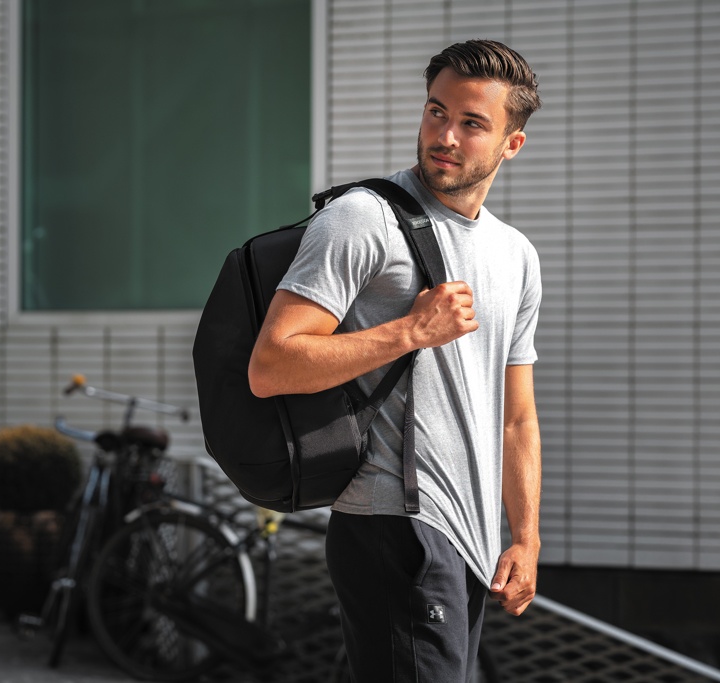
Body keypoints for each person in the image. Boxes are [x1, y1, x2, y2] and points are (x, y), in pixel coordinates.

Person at [248, 39, 543, 682]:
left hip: (472, 541)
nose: (445, 135)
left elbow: (516, 416)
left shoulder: (516, 255)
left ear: (511, 144)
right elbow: (272, 364)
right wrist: (410, 331)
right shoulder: (363, 218)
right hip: (393, 525)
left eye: (472, 123)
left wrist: (525, 536)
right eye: (437, 111)